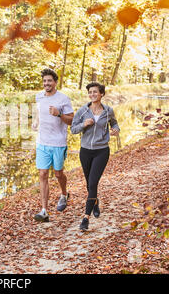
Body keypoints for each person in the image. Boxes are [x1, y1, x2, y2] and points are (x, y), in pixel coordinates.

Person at [70, 82, 120, 231]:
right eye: (90, 92)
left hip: (101, 151)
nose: (92, 94)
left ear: (101, 94)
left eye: (95, 92)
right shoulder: (83, 111)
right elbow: (73, 129)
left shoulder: (108, 111)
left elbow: (115, 123)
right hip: (85, 151)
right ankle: (95, 202)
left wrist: (116, 130)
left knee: (92, 183)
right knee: (89, 184)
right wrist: (84, 124)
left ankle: (85, 218)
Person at [32, 68, 74, 222]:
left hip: (58, 142)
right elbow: (39, 111)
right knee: (43, 174)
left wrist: (59, 114)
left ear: (55, 82)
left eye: (49, 81)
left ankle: (64, 194)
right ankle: (44, 210)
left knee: (58, 174)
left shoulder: (63, 99)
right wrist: (36, 121)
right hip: (42, 141)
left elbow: (71, 120)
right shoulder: (39, 97)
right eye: (44, 81)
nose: (46, 83)